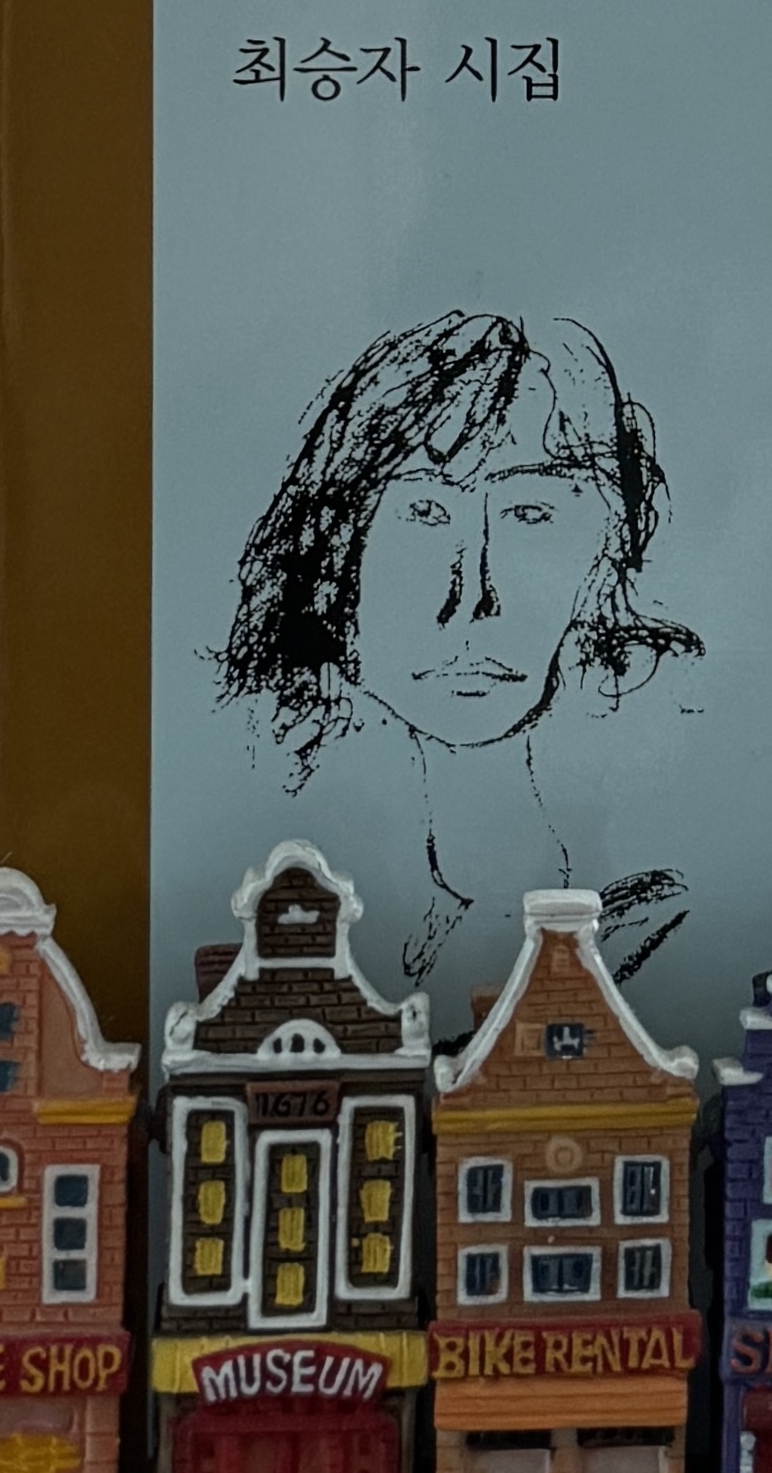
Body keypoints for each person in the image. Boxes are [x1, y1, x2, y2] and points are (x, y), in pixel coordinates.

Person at [213, 308, 703, 974]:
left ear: (605, 554)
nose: (472, 593)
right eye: (424, 511)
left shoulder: (654, 922)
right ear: (337, 555)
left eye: (529, 513)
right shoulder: (330, 900)